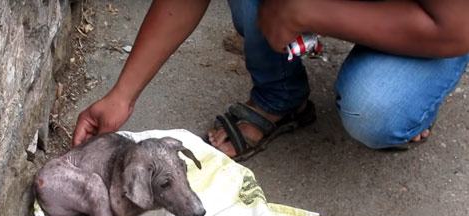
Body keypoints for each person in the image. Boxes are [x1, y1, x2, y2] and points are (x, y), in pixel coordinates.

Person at [72, 0, 469, 160]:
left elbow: (455, 27)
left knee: (377, 108)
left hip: (433, 18)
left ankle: (418, 105)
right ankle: (281, 96)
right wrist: (122, 94)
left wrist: (307, 11)